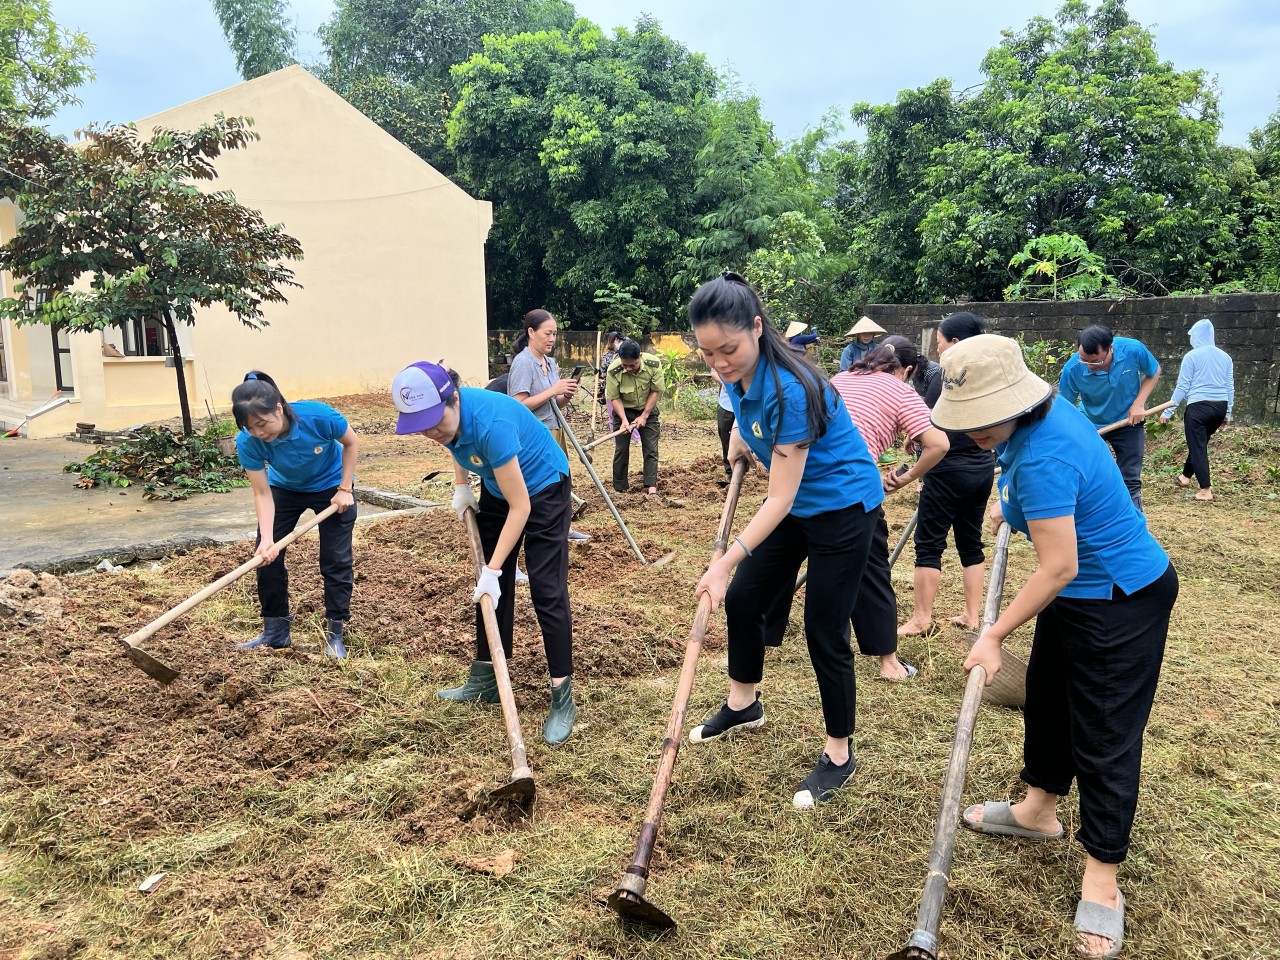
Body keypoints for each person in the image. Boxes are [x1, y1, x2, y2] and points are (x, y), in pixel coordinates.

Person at [933, 334, 1178, 960]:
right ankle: (1038, 808)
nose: (972, 434)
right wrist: (1006, 508)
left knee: (1103, 729)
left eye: (983, 423)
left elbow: (1058, 566)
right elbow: (1034, 493)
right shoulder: (1036, 418)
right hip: (1079, 598)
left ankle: (1102, 873)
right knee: (1047, 699)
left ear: (1013, 400)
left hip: (1122, 598)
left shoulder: (1046, 452)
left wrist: (992, 634)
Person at [685, 273, 884, 810]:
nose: (720, 363)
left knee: (823, 626)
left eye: (728, 349)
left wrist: (724, 562)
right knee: (748, 599)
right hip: (796, 501)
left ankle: (840, 753)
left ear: (756, 327)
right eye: (708, 354)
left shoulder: (791, 389)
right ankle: (743, 703)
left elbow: (777, 499)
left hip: (841, 507)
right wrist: (737, 441)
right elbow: (740, 410)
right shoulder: (736, 373)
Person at [391, 360, 579, 745]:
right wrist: (462, 485)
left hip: (543, 486)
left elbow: (521, 506)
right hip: (499, 485)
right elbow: (454, 442)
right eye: (421, 426)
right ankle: (487, 678)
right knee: (490, 588)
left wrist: (494, 568)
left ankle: (562, 697)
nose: (430, 432)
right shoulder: (448, 423)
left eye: (433, 421)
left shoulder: (491, 424)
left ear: (454, 399)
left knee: (546, 590)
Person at [830, 343, 949, 680]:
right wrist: (908, 476)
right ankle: (889, 663)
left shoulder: (838, 379)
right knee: (871, 571)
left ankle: (762, 638)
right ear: (905, 370)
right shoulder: (899, 389)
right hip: (853, 491)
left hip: (803, 479)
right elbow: (938, 443)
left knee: (775, 559)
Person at [231, 371, 359, 660]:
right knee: (265, 557)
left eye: (262, 424)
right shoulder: (248, 442)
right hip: (283, 488)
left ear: (279, 408)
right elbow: (262, 493)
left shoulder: (317, 416)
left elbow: (351, 442)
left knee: (335, 560)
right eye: (251, 428)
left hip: (332, 486)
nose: (259, 433)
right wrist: (266, 538)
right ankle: (275, 631)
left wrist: (345, 488)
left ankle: (335, 633)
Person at [898, 311, 996, 635]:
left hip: (946, 470)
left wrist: (913, 450)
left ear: (955, 343)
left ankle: (922, 618)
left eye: (939, 343)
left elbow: (925, 419)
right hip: (982, 469)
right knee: (971, 543)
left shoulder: (949, 373)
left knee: (929, 545)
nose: (938, 350)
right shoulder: (989, 373)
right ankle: (972, 615)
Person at [507, 308, 590, 542]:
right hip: (534, 436)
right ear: (531, 332)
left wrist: (566, 393)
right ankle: (539, 534)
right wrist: (553, 390)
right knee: (542, 487)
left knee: (562, 481)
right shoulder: (523, 363)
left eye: (555, 334)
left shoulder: (550, 363)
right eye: (547, 333)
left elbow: (555, 404)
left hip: (556, 429)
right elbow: (518, 406)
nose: (552, 339)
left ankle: (564, 529)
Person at [1057, 324, 1160, 510]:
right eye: (1084, 360)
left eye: (1096, 361)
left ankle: (1133, 522)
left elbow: (1154, 372)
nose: (1089, 366)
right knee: (1090, 474)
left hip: (1129, 420)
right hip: (1091, 424)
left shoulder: (1133, 350)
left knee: (1130, 476)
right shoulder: (1073, 369)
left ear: (1110, 349)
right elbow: (1062, 407)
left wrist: (1138, 404)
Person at [1160, 318, 1234, 502]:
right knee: (1199, 443)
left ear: (1197, 336)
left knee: (1198, 447)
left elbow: (1182, 387)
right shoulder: (1225, 357)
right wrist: (1227, 413)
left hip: (1198, 409)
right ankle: (1185, 477)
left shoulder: (1191, 357)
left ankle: (1205, 490)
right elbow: (1230, 387)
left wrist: (1168, 411)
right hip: (1219, 407)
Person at [605, 340, 663, 495]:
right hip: (623, 410)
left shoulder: (654, 364)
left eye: (633, 365)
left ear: (640, 357)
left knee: (650, 449)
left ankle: (651, 487)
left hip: (647, 410)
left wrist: (644, 415)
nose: (629, 368)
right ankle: (620, 487)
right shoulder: (613, 370)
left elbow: (655, 391)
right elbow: (614, 397)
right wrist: (624, 420)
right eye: (625, 365)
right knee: (621, 449)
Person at [709, 365, 735, 485]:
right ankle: (730, 472)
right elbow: (714, 372)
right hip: (726, 403)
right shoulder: (721, 356)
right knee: (725, 436)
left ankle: (745, 468)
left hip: (745, 404)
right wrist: (723, 382)